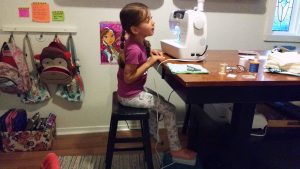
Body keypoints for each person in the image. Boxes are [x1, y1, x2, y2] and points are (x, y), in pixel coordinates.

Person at [117, 2, 197, 160]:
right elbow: (128, 77)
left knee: (157, 106)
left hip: (132, 92)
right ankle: (176, 149)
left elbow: (140, 57)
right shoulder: (133, 48)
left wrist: (149, 52)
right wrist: (149, 62)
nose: (153, 22)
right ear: (135, 29)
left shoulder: (138, 43)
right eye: (148, 20)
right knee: (169, 109)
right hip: (130, 96)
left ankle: (152, 138)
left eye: (151, 18)